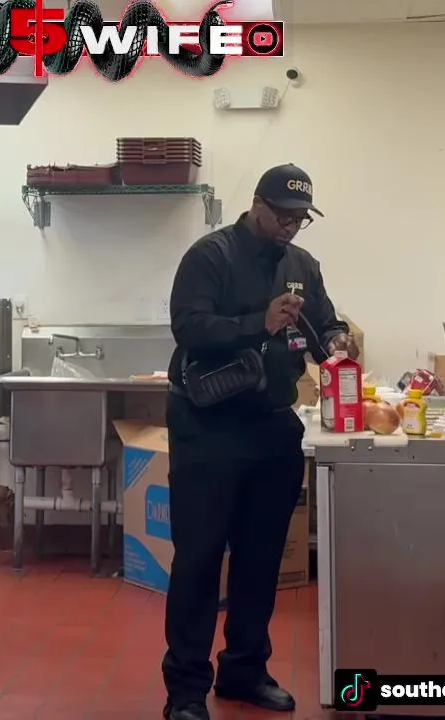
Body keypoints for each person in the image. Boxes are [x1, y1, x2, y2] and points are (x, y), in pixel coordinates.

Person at [161, 165, 357, 720]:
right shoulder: (211, 256)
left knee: (260, 559)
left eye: (300, 219)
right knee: (199, 560)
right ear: (257, 205)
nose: (290, 226)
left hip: (272, 427)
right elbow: (188, 327)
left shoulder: (302, 266)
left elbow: (325, 322)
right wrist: (258, 323)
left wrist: (337, 339)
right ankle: (186, 691)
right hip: (208, 428)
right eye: (283, 216)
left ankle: (244, 671)